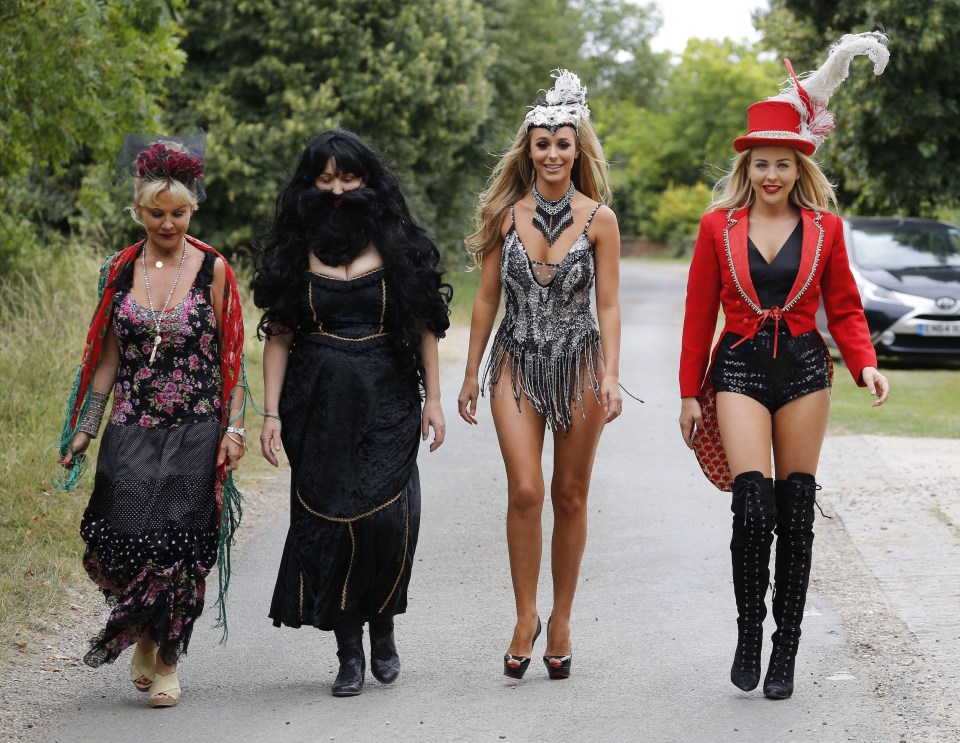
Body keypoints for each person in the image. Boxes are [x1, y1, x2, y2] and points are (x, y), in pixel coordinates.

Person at [678, 32, 892, 700]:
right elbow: (696, 314)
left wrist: (865, 364)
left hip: (805, 369)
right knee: (752, 508)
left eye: (782, 163)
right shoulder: (718, 227)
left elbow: (847, 309)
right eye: (761, 163)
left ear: (801, 165)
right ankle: (748, 631)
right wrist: (690, 392)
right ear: (748, 166)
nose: (771, 174)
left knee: (796, 512)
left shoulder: (826, 229)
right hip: (739, 367)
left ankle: (785, 649)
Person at [253, 130, 451, 697]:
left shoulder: (398, 243)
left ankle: (382, 625)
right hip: (315, 404)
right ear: (309, 185)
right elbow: (280, 338)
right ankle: (347, 653)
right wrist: (271, 414)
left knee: (385, 522)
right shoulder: (293, 249)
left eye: (349, 177)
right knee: (330, 522)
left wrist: (432, 399)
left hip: (388, 397)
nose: (337, 189)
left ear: (369, 180)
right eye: (325, 179)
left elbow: (424, 328)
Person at [56, 132, 247, 708]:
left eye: (180, 212)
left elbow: (231, 358)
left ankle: (166, 658)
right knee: (126, 541)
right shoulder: (118, 270)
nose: (169, 223)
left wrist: (233, 430)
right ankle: (144, 629)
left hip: (195, 429)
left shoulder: (214, 268)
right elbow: (108, 360)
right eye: (157, 213)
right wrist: (84, 432)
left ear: (193, 207)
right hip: (132, 427)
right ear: (138, 210)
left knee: (183, 549)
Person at [457, 70, 622, 681]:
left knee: (570, 494)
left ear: (578, 149)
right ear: (528, 150)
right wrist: (471, 371)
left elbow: (608, 305)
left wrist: (609, 373)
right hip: (515, 361)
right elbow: (484, 300)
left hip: (580, 363)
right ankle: (525, 616)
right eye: (541, 144)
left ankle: (561, 618)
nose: (552, 154)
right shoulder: (506, 213)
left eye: (563, 143)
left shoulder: (600, 218)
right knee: (526, 489)